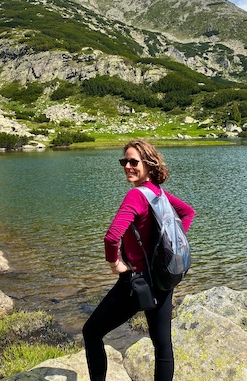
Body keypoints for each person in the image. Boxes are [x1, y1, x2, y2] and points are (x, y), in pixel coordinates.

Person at [82, 139, 195, 381]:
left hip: (136, 282)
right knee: (162, 346)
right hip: (162, 278)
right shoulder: (159, 193)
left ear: (149, 164)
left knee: (91, 332)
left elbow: (112, 237)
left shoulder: (136, 195)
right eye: (124, 161)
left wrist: (116, 264)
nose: (127, 166)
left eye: (134, 161)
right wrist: (172, 247)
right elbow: (187, 212)